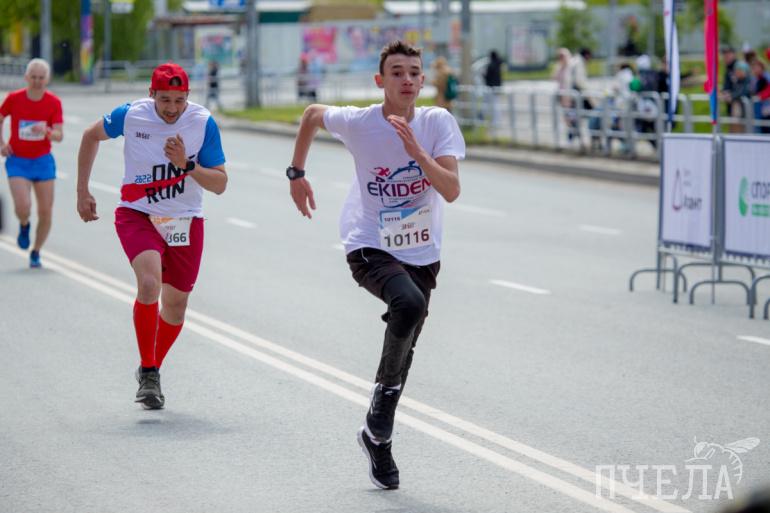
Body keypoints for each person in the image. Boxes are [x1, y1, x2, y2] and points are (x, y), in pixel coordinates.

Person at [286, 40, 464, 490]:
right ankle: (382, 413)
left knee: (406, 338)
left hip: (422, 251)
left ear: (423, 82)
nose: (406, 80)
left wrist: (417, 152)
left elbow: (451, 190)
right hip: (369, 243)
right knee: (406, 304)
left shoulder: (437, 122)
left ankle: (376, 439)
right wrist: (296, 174)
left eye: (414, 73)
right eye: (397, 72)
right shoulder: (361, 122)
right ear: (380, 81)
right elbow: (310, 115)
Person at [76, 63, 227, 409]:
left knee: (175, 307)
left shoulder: (202, 123)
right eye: (164, 100)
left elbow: (220, 183)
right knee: (149, 284)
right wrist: (82, 191)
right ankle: (149, 372)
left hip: (184, 220)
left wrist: (187, 165)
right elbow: (89, 136)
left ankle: (152, 366)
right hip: (137, 213)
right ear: (151, 95)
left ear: (188, 96)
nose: (171, 108)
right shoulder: (131, 116)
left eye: (178, 100)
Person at [0, 58, 63, 268]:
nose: (37, 81)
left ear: (48, 79)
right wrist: (1, 143)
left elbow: (59, 135)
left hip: (43, 161)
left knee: (45, 212)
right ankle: (24, 224)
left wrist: (46, 131)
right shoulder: (14, 98)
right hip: (17, 159)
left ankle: (36, 251)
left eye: (41, 78)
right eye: (33, 77)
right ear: (26, 77)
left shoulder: (53, 102)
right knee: (23, 206)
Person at [483, 50, 504, 130]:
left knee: (492, 104)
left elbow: (487, 76)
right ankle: (497, 120)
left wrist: (483, 75)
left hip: (491, 87)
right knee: (496, 103)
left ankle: (494, 121)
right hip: (498, 86)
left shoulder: (491, 65)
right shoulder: (499, 64)